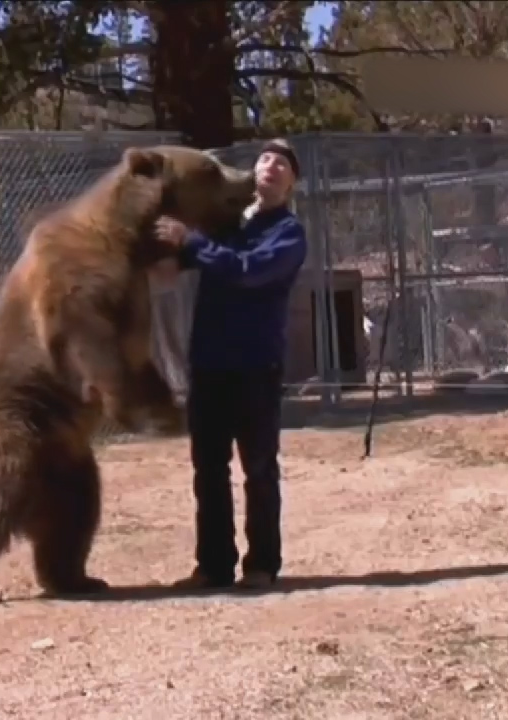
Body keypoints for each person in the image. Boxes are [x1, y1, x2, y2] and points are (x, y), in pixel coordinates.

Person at [153, 139, 308, 591]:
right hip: (209, 363)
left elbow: (247, 270)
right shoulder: (225, 224)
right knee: (208, 469)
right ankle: (214, 565)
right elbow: (179, 259)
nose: (272, 166)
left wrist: (193, 242)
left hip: (256, 366)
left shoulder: (289, 234)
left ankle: (262, 564)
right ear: (254, 170)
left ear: (292, 181)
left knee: (259, 468)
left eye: (283, 163)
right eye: (265, 158)